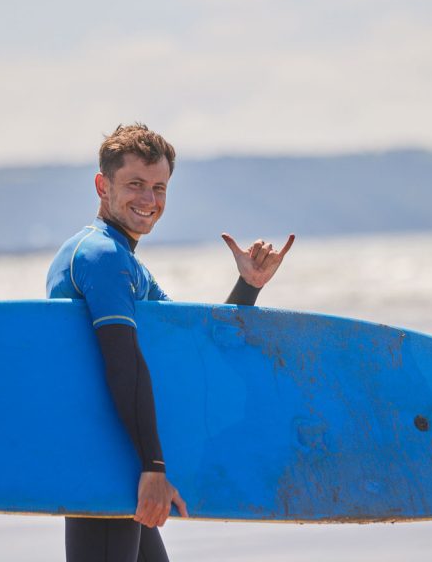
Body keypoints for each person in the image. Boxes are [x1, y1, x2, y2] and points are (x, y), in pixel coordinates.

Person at [45, 123, 294, 562]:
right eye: (135, 185)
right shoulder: (101, 257)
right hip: (106, 460)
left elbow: (191, 351)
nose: (149, 200)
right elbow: (124, 364)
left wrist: (248, 286)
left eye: (159, 187)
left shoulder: (121, 261)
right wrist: (153, 468)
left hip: (117, 459)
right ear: (103, 185)